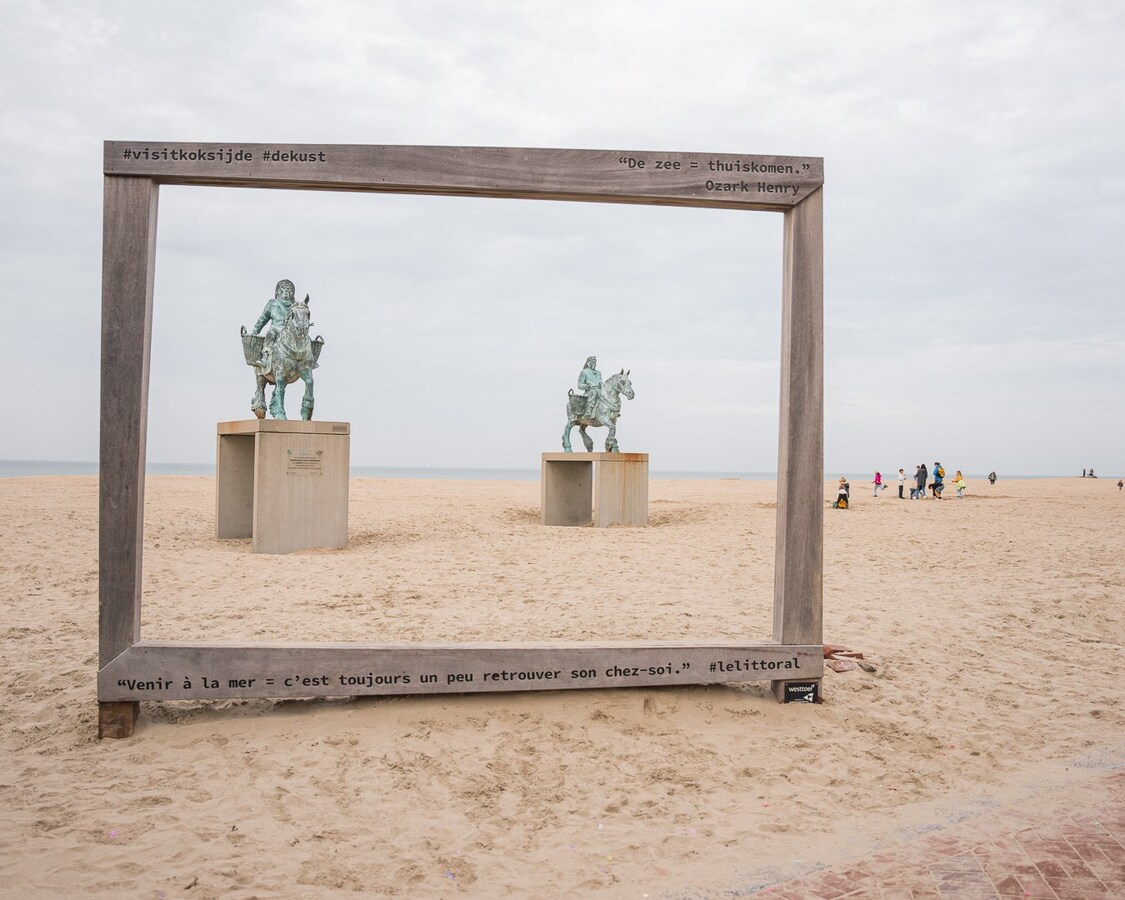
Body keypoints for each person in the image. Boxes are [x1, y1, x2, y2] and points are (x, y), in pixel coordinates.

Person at [250, 279, 297, 371]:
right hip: (276, 329)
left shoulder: (295, 306)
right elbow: (263, 319)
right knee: (271, 333)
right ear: (278, 290)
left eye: (288, 289)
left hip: (290, 332)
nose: (286, 291)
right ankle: (265, 357)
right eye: (283, 288)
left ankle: (307, 361)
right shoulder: (272, 304)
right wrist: (255, 330)